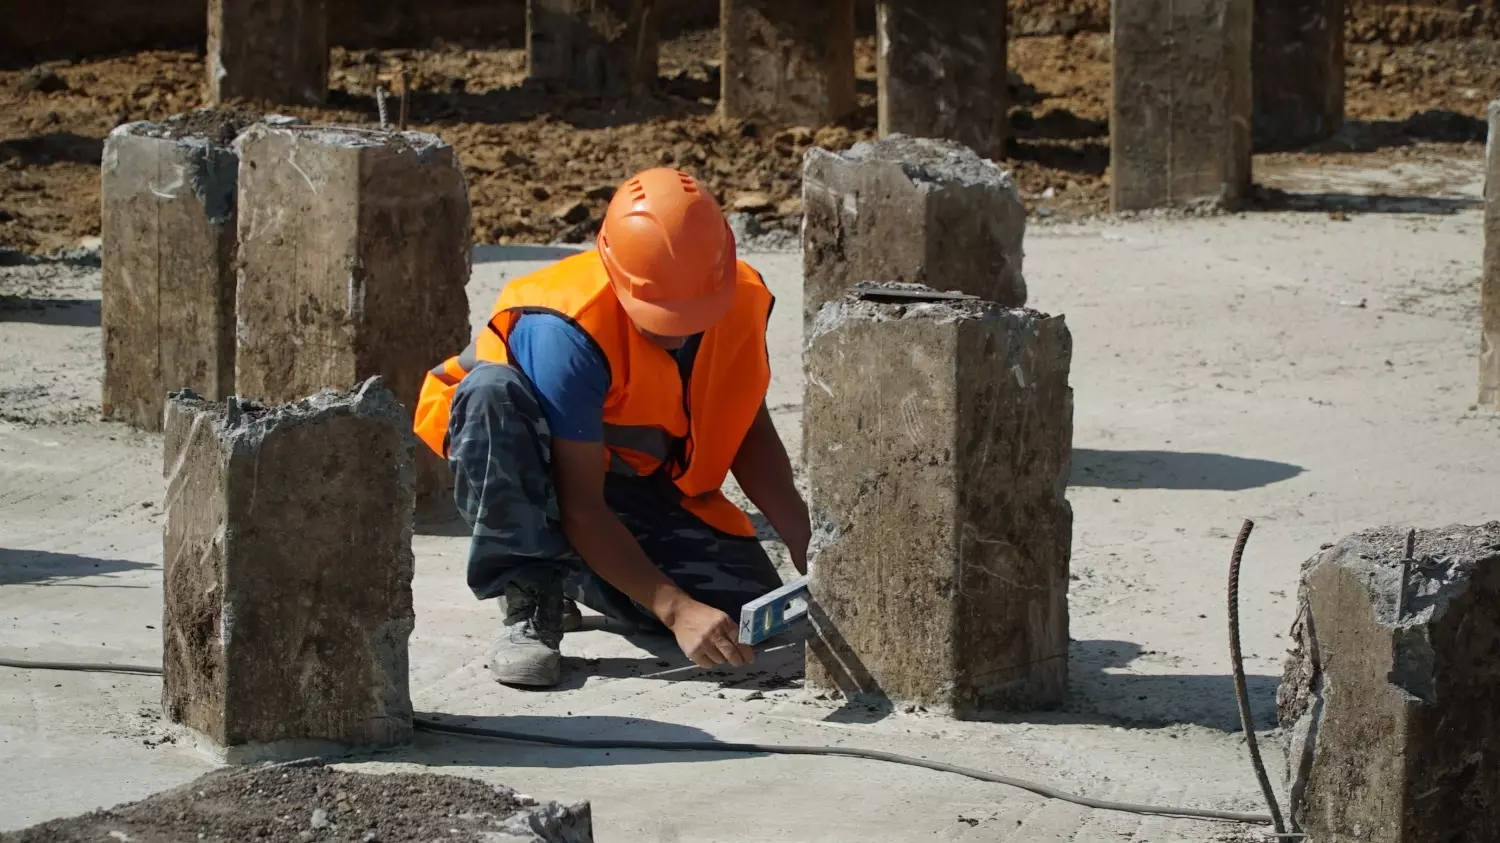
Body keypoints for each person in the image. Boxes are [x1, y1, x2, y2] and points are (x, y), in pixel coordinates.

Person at [413, 168, 811, 688]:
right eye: (659, 316)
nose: (679, 331)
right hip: (532, 468)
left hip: (631, 480)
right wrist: (672, 608)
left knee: (737, 613)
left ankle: (580, 570)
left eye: (692, 314)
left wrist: (811, 547)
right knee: (494, 395)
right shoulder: (565, 329)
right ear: (617, 274)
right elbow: (581, 504)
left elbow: (749, 430)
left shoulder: (738, 295)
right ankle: (530, 589)